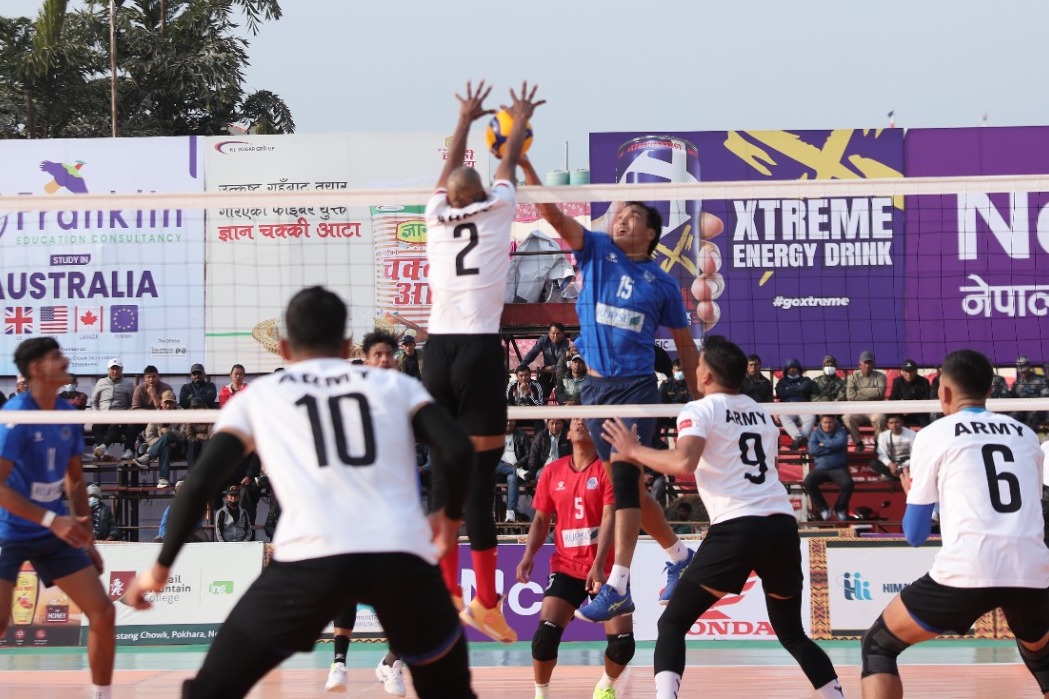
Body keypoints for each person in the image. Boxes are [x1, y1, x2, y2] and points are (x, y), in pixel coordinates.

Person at [123, 286, 477, 699]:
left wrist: (160, 568)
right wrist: (448, 520)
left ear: (285, 348)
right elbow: (458, 449)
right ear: (346, 346)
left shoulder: (259, 397)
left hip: (308, 563)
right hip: (401, 559)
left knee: (210, 691)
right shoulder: (394, 386)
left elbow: (200, 482)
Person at [601, 335, 843, 699]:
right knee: (793, 634)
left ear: (708, 376)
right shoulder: (760, 412)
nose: (694, 369)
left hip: (739, 527)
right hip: (781, 525)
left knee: (672, 623)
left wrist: (634, 450)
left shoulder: (700, 409)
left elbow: (684, 462)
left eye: (699, 364)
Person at [519, 157, 700, 624]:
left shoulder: (663, 284)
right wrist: (525, 164)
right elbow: (553, 215)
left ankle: (618, 584)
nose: (621, 219)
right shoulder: (597, 250)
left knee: (622, 482)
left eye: (632, 217)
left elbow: (685, 348)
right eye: (619, 214)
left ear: (651, 234)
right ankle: (679, 555)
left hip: (636, 389)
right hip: (594, 391)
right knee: (631, 488)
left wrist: (703, 403)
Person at [422, 80, 542, 643]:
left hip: (435, 353)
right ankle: (486, 603)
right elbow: (509, 162)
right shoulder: (498, 210)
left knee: (444, 478)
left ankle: (448, 592)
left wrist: (465, 120)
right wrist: (517, 122)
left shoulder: (433, 214)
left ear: (449, 197)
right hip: (476, 349)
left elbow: (450, 172)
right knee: (477, 485)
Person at [860, 349, 1049, 699]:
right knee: (1042, 658)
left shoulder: (934, 434)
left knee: (878, 645)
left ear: (943, 392)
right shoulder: (1026, 435)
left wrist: (912, 493)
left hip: (969, 569)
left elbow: (915, 535)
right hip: (1032, 570)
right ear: (990, 390)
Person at [0, 337, 115, 699]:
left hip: (54, 532)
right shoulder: (17, 417)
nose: (65, 360)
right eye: (56, 357)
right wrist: (53, 520)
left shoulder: (66, 411)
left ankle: (102, 695)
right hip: (9, 530)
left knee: (102, 611)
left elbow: (76, 479)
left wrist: (87, 537)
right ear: (36, 369)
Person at [516, 417, 633, 699]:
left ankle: (605, 687)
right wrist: (528, 554)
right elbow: (541, 519)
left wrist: (598, 565)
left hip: (605, 569)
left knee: (622, 645)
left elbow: (610, 517)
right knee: (544, 638)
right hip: (566, 567)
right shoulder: (552, 471)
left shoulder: (606, 469)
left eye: (585, 421)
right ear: (568, 433)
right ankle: (541, 695)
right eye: (575, 421)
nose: (579, 424)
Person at [325, 328, 409, 696]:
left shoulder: (407, 397)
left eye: (390, 354)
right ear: (366, 360)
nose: (385, 360)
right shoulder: (350, 399)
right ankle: (338, 664)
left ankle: (392, 663)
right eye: (378, 354)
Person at [804, 415, 853, 521]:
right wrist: (831, 448)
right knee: (808, 481)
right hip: (821, 468)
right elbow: (812, 450)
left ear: (834, 422)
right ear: (821, 423)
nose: (827, 425)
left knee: (848, 483)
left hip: (838, 468)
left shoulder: (841, 431)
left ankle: (839, 509)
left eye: (830, 422)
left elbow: (840, 443)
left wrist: (823, 444)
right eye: (825, 422)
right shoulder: (815, 433)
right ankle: (823, 508)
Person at [137, 389, 188, 488]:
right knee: (165, 446)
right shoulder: (156, 416)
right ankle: (163, 479)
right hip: (161, 449)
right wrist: (163, 442)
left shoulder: (182, 415)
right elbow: (150, 436)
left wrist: (171, 431)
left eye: (171, 403)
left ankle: (148, 457)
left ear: (175, 403)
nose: (168, 406)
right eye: (166, 403)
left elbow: (184, 437)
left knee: (167, 435)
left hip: (177, 448)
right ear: (161, 403)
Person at [90, 357, 137, 460]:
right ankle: (104, 450)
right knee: (96, 427)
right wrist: (96, 413)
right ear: (108, 370)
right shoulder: (101, 382)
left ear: (122, 369)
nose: (115, 371)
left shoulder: (129, 384)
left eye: (117, 369)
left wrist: (125, 414)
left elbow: (133, 403)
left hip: (120, 416)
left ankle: (103, 448)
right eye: (113, 369)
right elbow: (93, 401)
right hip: (103, 415)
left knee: (116, 425)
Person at [844, 350, 887, 451]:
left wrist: (860, 391)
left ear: (873, 364)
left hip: (875, 409)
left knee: (880, 418)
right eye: (865, 363)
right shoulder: (852, 377)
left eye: (870, 363)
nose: (867, 365)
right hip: (858, 409)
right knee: (847, 417)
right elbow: (850, 396)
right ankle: (858, 443)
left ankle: (878, 443)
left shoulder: (880, 376)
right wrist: (872, 394)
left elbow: (880, 393)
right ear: (860, 364)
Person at [492, 419, 532, 524]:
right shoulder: (495, 436)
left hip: (515, 468)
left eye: (512, 421)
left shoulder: (522, 436)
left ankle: (511, 513)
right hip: (498, 471)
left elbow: (528, 455)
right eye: (507, 420)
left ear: (515, 422)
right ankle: (517, 471)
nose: (509, 423)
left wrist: (516, 465)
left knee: (512, 477)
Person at [521, 322, 571, 400]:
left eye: (558, 334)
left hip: (562, 373)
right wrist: (522, 365)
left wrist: (552, 367)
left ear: (563, 334)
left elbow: (565, 363)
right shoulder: (543, 340)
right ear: (549, 333)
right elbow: (533, 353)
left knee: (564, 397)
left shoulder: (567, 344)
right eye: (553, 333)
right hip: (547, 374)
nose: (555, 336)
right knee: (540, 395)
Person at [776, 358, 817, 450]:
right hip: (788, 407)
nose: (792, 369)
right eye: (790, 368)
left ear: (798, 369)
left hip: (803, 406)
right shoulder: (782, 382)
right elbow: (781, 393)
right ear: (786, 370)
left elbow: (805, 388)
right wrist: (798, 389)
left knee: (811, 417)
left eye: (794, 367)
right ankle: (800, 438)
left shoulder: (806, 379)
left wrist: (789, 390)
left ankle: (799, 439)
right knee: (783, 417)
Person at [869, 414, 915, 482]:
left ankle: (896, 475)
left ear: (902, 423)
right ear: (887, 424)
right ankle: (898, 475)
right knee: (874, 464)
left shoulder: (912, 434)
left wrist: (902, 465)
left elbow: (915, 455)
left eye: (896, 422)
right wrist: (890, 465)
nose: (894, 425)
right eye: (891, 423)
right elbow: (882, 454)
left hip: (907, 461)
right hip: (892, 461)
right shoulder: (883, 435)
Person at [1010, 355, 1049, 430]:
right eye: (1021, 372)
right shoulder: (1017, 383)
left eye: (1025, 371)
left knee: (1032, 415)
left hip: (1038, 409)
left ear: (1029, 368)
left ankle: (1029, 435)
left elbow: (1045, 396)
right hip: (1022, 409)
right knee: (1013, 416)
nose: (1023, 373)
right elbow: (1012, 397)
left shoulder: (1041, 380)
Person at [888, 359, 930, 428]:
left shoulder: (924, 382)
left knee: (925, 418)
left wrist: (912, 409)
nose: (909, 374)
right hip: (902, 412)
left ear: (916, 371)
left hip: (919, 411)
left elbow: (926, 400)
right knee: (892, 418)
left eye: (911, 371)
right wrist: (902, 409)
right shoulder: (897, 382)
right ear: (902, 372)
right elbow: (893, 399)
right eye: (906, 371)